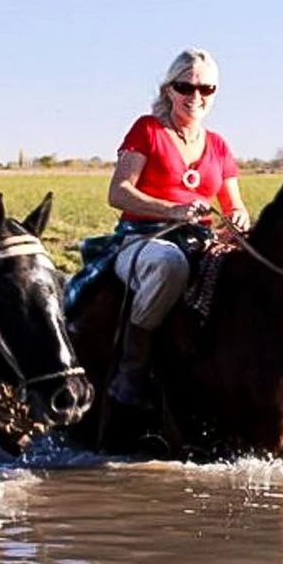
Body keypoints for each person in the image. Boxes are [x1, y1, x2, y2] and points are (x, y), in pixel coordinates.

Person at [104, 47, 250, 408]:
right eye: (187, 87)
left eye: (207, 90)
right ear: (170, 89)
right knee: (170, 265)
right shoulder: (147, 130)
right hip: (143, 239)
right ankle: (132, 369)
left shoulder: (218, 145)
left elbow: (234, 204)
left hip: (200, 239)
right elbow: (118, 192)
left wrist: (239, 220)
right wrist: (174, 210)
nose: (196, 97)